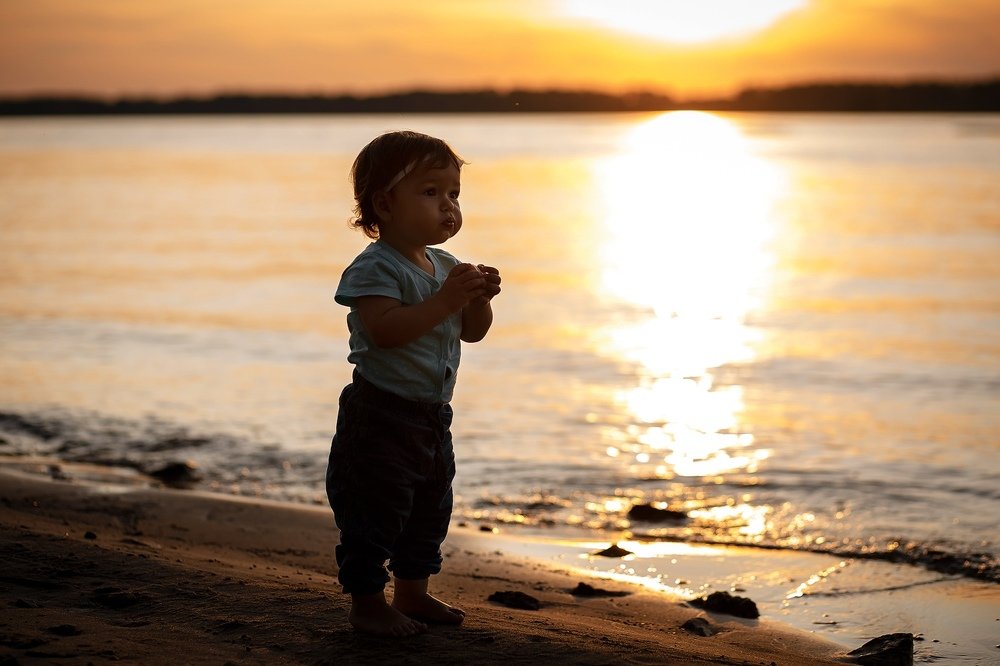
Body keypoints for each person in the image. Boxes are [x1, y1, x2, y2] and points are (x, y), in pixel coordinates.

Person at [326, 131, 501, 636]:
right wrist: (446, 301)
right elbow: (384, 333)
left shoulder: (446, 266)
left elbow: (471, 333)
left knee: (428, 508)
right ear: (385, 203)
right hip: (380, 414)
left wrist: (478, 300)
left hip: (431, 417)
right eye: (431, 193)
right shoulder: (376, 267)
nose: (448, 206)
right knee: (374, 510)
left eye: (454, 194)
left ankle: (413, 594)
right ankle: (367, 603)